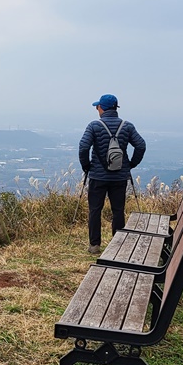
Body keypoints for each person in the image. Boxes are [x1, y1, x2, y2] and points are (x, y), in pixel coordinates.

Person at [79, 93, 146, 254]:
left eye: (97, 106)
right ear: (116, 108)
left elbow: (83, 147)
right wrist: (130, 165)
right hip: (119, 176)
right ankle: (118, 244)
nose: (97, 109)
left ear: (101, 108)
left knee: (95, 209)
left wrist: (87, 166)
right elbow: (141, 146)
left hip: (97, 176)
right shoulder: (127, 126)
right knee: (118, 210)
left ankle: (94, 245)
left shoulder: (94, 126)